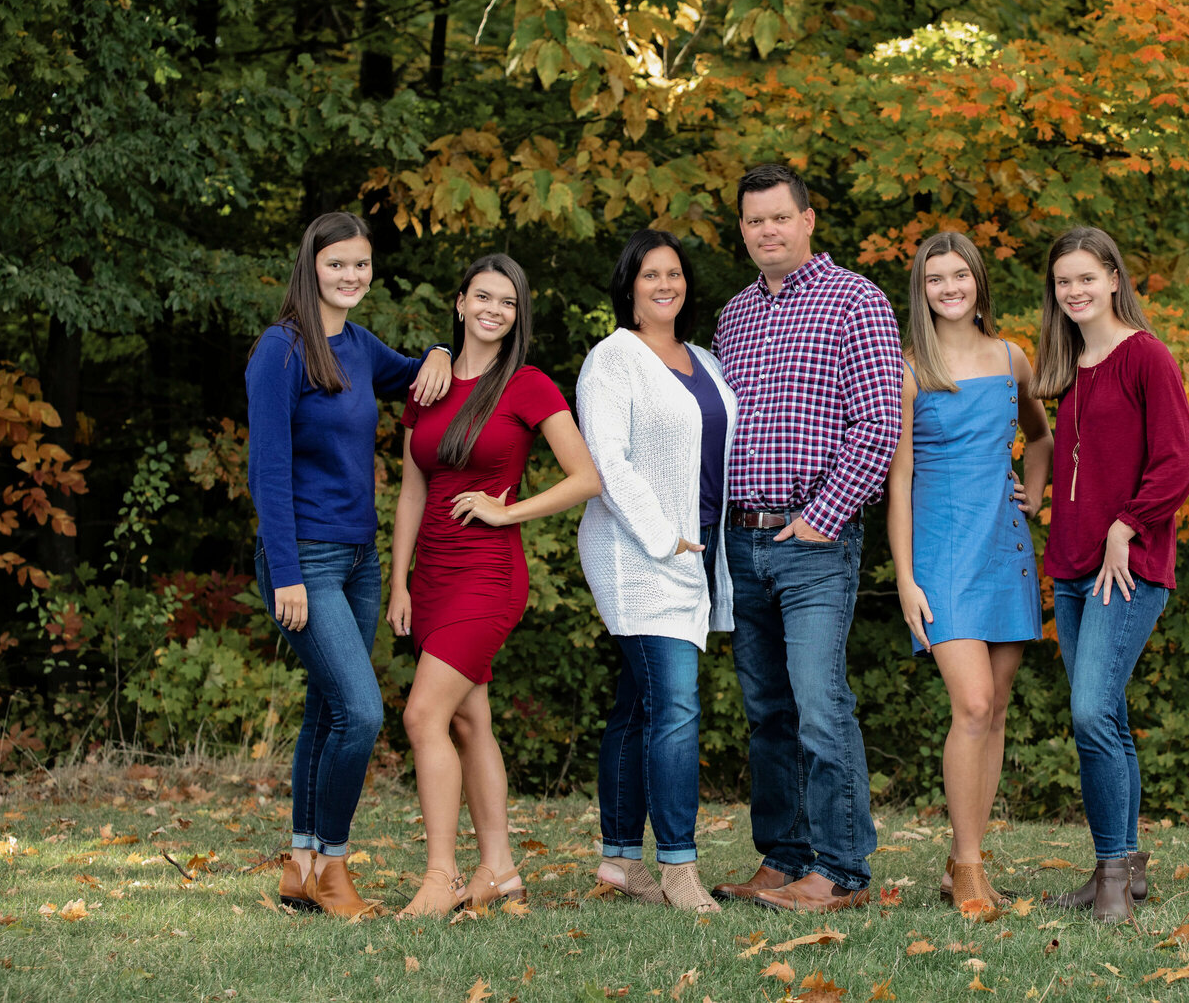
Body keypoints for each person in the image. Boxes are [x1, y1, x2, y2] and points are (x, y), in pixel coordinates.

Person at [247, 211, 454, 919]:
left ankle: (300, 867)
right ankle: (334, 867)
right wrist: (285, 575)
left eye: (361, 264)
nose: (351, 276)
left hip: (360, 558)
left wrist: (436, 352)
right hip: (302, 555)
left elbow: (418, 377)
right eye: (338, 263)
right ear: (312, 266)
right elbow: (267, 471)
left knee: (328, 709)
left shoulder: (361, 347)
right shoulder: (280, 351)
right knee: (362, 712)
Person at [710, 164, 902, 913]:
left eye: (779, 218)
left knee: (820, 702)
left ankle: (842, 869)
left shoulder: (856, 299)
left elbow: (879, 422)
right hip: (743, 539)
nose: (767, 231)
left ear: (808, 220)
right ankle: (784, 857)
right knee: (767, 711)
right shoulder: (734, 316)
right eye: (754, 221)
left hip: (815, 540)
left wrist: (823, 516)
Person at [386, 253, 601, 919]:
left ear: (517, 315)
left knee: (424, 715)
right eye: (483, 296)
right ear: (459, 302)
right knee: (469, 719)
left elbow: (586, 477)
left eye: (508, 302)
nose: (494, 310)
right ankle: (501, 871)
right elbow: (411, 491)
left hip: (489, 573)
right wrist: (399, 583)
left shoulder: (528, 385)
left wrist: (508, 509)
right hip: (434, 575)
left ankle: (442, 877)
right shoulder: (429, 383)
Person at [885, 231, 1053, 912]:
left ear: (979, 281)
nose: (949, 287)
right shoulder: (907, 367)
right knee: (973, 704)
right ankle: (970, 866)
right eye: (935, 278)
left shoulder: (1012, 357)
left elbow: (1039, 436)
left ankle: (967, 860)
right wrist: (904, 578)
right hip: (941, 553)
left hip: (1004, 546)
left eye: (960, 275)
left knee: (999, 709)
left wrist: (1035, 495)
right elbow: (899, 482)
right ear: (921, 291)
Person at [1034, 226, 1189, 924]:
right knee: (1113, 718)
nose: (1074, 292)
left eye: (1085, 278)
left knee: (1090, 713)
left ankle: (1108, 877)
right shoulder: (1074, 362)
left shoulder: (1145, 357)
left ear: (1113, 278)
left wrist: (1125, 529)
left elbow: (1178, 462)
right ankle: (1126, 868)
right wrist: (1032, 495)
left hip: (1125, 568)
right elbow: (1068, 457)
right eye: (1063, 282)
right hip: (1071, 565)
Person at [575, 229, 738, 915]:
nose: (664, 284)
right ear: (629, 287)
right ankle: (677, 866)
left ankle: (618, 861)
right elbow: (608, 463)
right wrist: (665, 538)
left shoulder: (703, 357)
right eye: (650, 275)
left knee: (638, 706)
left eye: (674, 273)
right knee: (674, 706)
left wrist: (693, 543)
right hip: (639, 550)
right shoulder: (612, 360)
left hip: (698, 547)